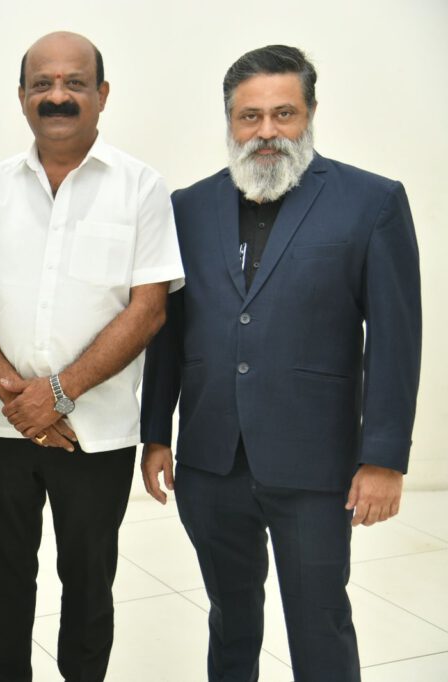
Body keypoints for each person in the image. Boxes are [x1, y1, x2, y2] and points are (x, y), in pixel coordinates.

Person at [140, 45, 422, 681]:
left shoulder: (371, 201)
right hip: (211, 462)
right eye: (250, 116)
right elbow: (168, 331)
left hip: (316, 466)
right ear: (230, 120)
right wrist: (156, 432)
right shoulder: (187, 208)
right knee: (230, 619)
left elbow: (397, 338)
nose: (266, 131)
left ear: (310, 113)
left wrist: (383, 458)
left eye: (283, 114)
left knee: (320, 623)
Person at [0, 32, 185, 681]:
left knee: (88, 580)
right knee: (2, 576)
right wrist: (17, 394)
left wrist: (57, 394)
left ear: (102, 94)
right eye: (43, 84)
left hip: (97, 433)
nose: (57, 96)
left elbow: (149, 309)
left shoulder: (140, 187)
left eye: (74, 83)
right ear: (22, 96)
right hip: (2, 427)